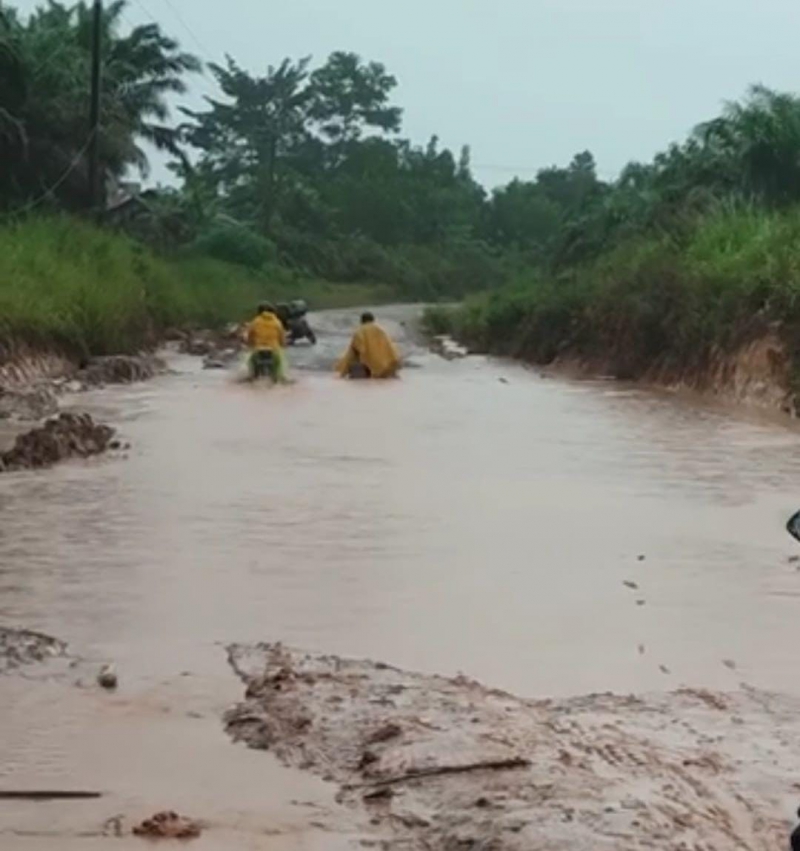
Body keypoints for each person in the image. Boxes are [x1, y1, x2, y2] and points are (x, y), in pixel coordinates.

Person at [337, 312, 401, 379]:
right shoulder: (380, 330)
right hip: (384, 364)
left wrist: (343, 371)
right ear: (373, 320)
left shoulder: (360, 331)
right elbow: (389, 346)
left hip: (367, 366)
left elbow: (356, 349)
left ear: (361, 321)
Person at [245, 302, 288, 382]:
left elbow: (250, 336)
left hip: (258, 349)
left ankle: (253, 376)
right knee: (279, 366)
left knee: (251, 363)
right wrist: (282, 345)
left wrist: (250, 344)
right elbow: (282, 338)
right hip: (273, 350)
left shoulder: (255, 322)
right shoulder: (277, 322)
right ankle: (277, 378)